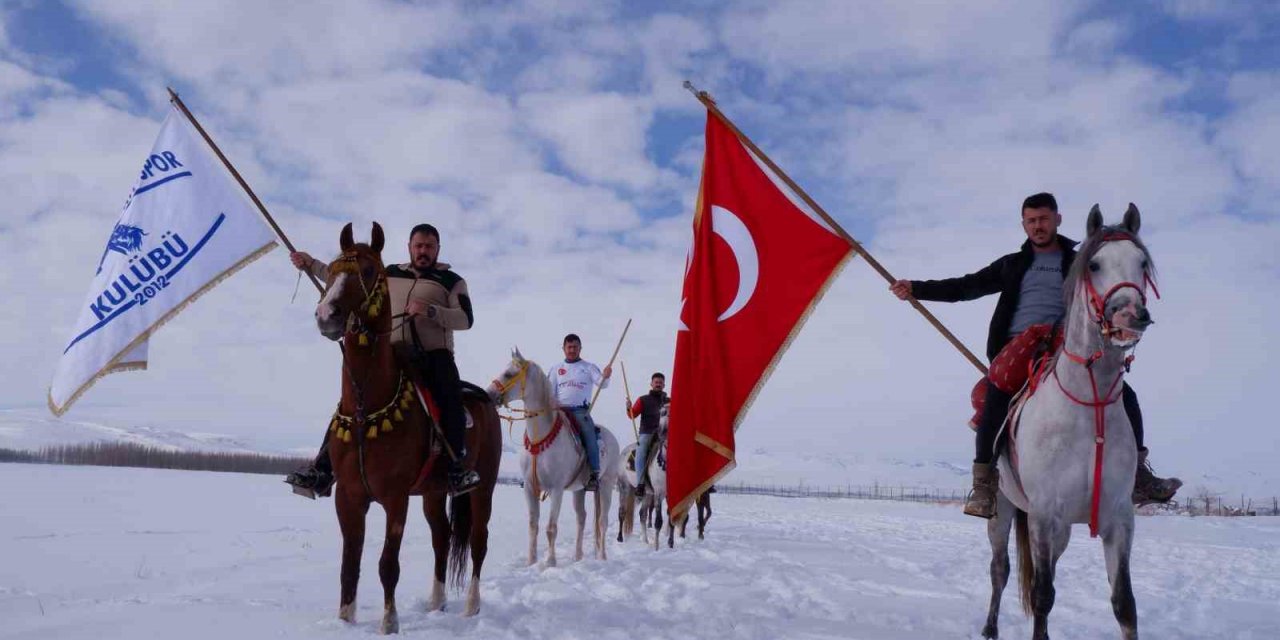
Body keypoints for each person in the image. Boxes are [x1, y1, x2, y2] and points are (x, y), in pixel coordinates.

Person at [890, 192, 1181, 518]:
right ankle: (985, 482)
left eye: (1043, 219)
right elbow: (964, 287)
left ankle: (1138, 475)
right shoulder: (1011, 265)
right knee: (996, 394)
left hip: (1068, 345)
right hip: (1017, 347)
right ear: (1024, 224)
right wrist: (916, 288)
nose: (1038, 226)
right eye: (1031, 221)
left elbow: (1107, 289)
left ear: (1057, 219)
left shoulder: (1081, 262)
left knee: (1123, 393)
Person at [284, 223, 481, 497]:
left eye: (429, 246)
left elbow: (465, 319)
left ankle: (456, 467)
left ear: (438, 249)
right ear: (410, 248)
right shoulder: (389, 273)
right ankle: (322, 468)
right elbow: (346, 275)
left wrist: (431, 311)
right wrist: (310, 264)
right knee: (350, 402)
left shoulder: (452, 281)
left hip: (433, 356)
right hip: (391, 352)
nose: (423, 251)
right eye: (418, 246)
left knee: (448, 397)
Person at [547, 333, 612, 491]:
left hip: (579, 411)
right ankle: (538, 472)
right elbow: (549, 391)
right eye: (569, 347)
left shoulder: (588, 367)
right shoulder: (556, 369)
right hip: (559, 410)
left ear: (580, 348)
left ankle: (593, 474)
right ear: (563, 348)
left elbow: (602, 384)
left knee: (589, 433)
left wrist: (606, 376)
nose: (572, 350)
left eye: (575, 347)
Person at [626, 372, 669, 497]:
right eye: (656, 382)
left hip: (665, 435)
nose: (658, 384)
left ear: (664, 385)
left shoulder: (669, 401)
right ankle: (640, 483)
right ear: (651, 384)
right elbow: (632, 415)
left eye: (660, 383)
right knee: (641, 451)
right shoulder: (643, 399)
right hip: (648, 432)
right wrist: (629, 408)